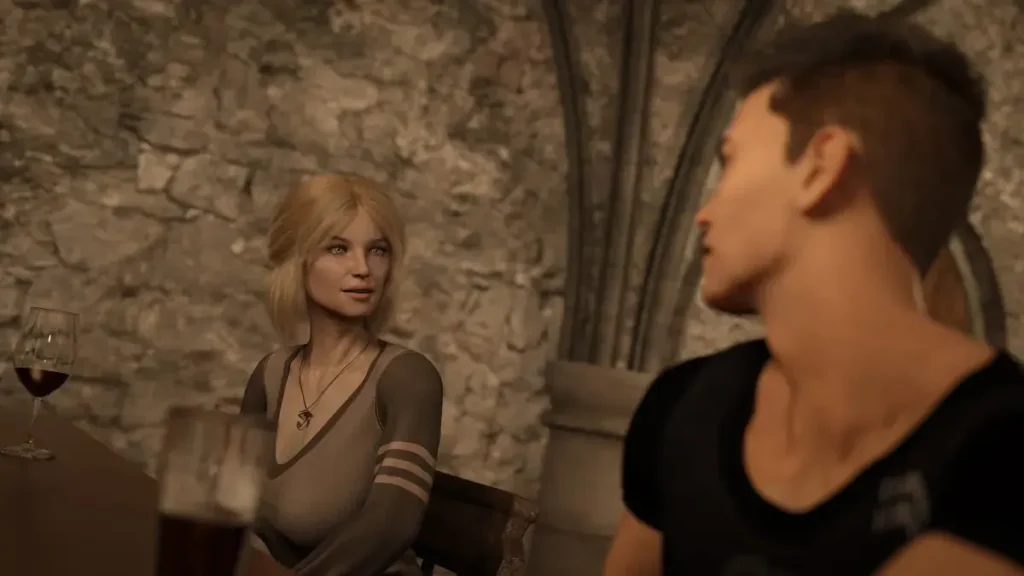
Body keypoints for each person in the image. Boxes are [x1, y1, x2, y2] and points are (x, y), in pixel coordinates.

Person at [605, 11, 1024, 576]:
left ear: (820, 166)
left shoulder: (1004, 447)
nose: (705, 213)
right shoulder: (684, 409)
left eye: (730, 161)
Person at [240, 173, 444, 576]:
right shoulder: (270, 375)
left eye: (377, 250)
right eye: (338, 248)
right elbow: (234, 507)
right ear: (297, 259)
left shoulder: (407, 378)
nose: (363, 268)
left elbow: (389, 526)